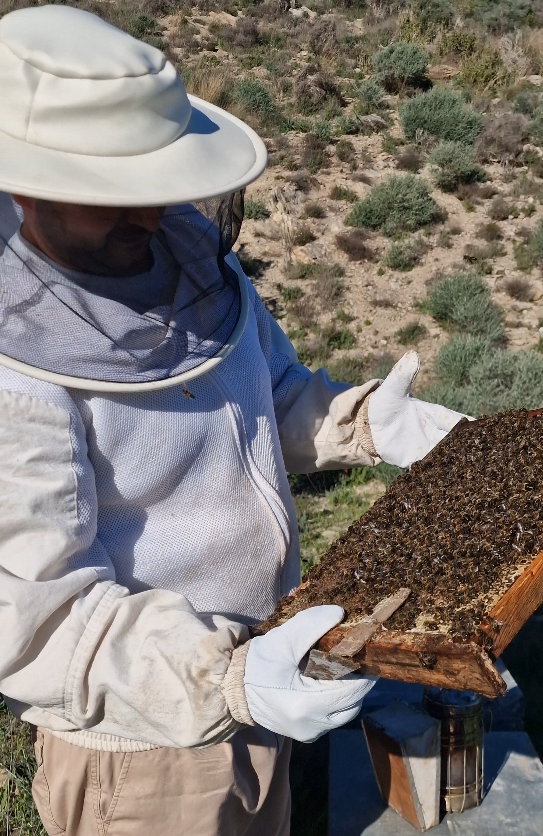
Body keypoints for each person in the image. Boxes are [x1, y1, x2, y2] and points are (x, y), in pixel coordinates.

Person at [0, 6, 468, 836]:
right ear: (25, 183)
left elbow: (259, 397)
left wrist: (354, 421)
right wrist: (222, 679)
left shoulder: (185, 261)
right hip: (141, 748)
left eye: (158, 186)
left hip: (261, 671)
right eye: (114, 196)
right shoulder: (16, 379)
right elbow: (35, 621)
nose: (147, 217)